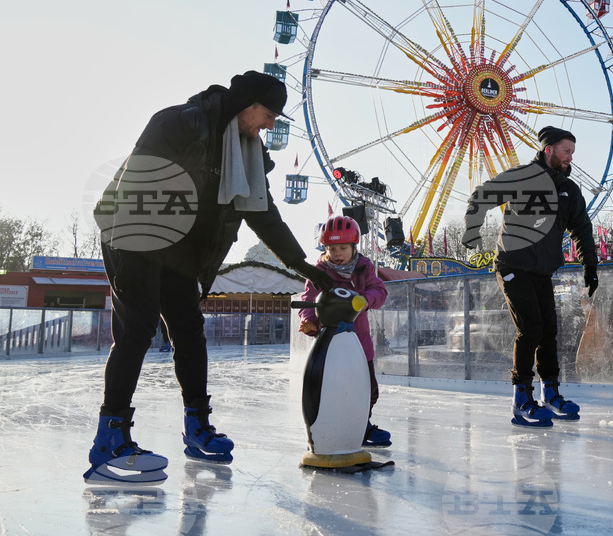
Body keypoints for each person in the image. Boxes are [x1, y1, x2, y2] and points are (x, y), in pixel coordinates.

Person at [86, 71, 335, 484]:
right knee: (138, 328)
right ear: (247, 104)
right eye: (269, 114)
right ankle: (109, 437)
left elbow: (263, 216)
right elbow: (139, 181)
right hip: (133, 233)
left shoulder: (248, 155)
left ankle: (196, 426)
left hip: (180, 252)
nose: (272, 125)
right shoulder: (180, 122)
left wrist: (302, 265)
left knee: (189, 330)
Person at [462, 126, 598, 427]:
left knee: (549, 330)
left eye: (573, 153)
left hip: (541, 270)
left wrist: (590, 264)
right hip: (513, 264)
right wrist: (472, 228)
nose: (570, 158)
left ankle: (551, 393)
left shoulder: (569, 190)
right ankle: (521, 398)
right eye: (566, 151)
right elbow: (482, 195)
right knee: (531, 328)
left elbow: (582, 229)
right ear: (549, 149)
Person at [297, 215, 391, 446]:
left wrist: (365, 300)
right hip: (330, 345)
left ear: (353, 246)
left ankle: (361, 425)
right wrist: (310, 322)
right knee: (331, 390)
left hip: (359, 344)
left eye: (342, 247)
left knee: (368, 391)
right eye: (331, 248)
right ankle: (328, 427)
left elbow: (380, 291)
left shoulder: (364, 267)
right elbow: (309, 299)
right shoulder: (319, 271)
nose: (337, 253)